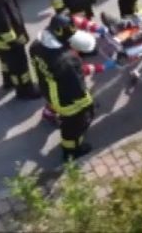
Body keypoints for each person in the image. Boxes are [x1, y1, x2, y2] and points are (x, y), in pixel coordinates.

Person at [29, 14, 99, 161]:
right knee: (73, 126)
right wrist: (88, 106)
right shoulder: (68, 61)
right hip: (66, 102)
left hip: (46, 87)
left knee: (55, 101)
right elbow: (78, 90)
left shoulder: (36, 45)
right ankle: (71, 151)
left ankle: (50, 114)